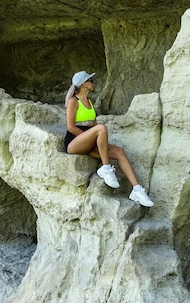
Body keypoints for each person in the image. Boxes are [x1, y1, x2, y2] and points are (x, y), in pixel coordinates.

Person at [64, 71, 154, 207]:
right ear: (84, 84)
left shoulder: (89, 101)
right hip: (74, 141)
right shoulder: (73, 101)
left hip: (89, 139)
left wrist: (96, 143)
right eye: (91, 81)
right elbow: (71, 127)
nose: (93, 83)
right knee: (101, 128)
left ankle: (137, 190)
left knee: (119, 152)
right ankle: (106, 168)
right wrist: (90, 140)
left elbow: (93, 125)